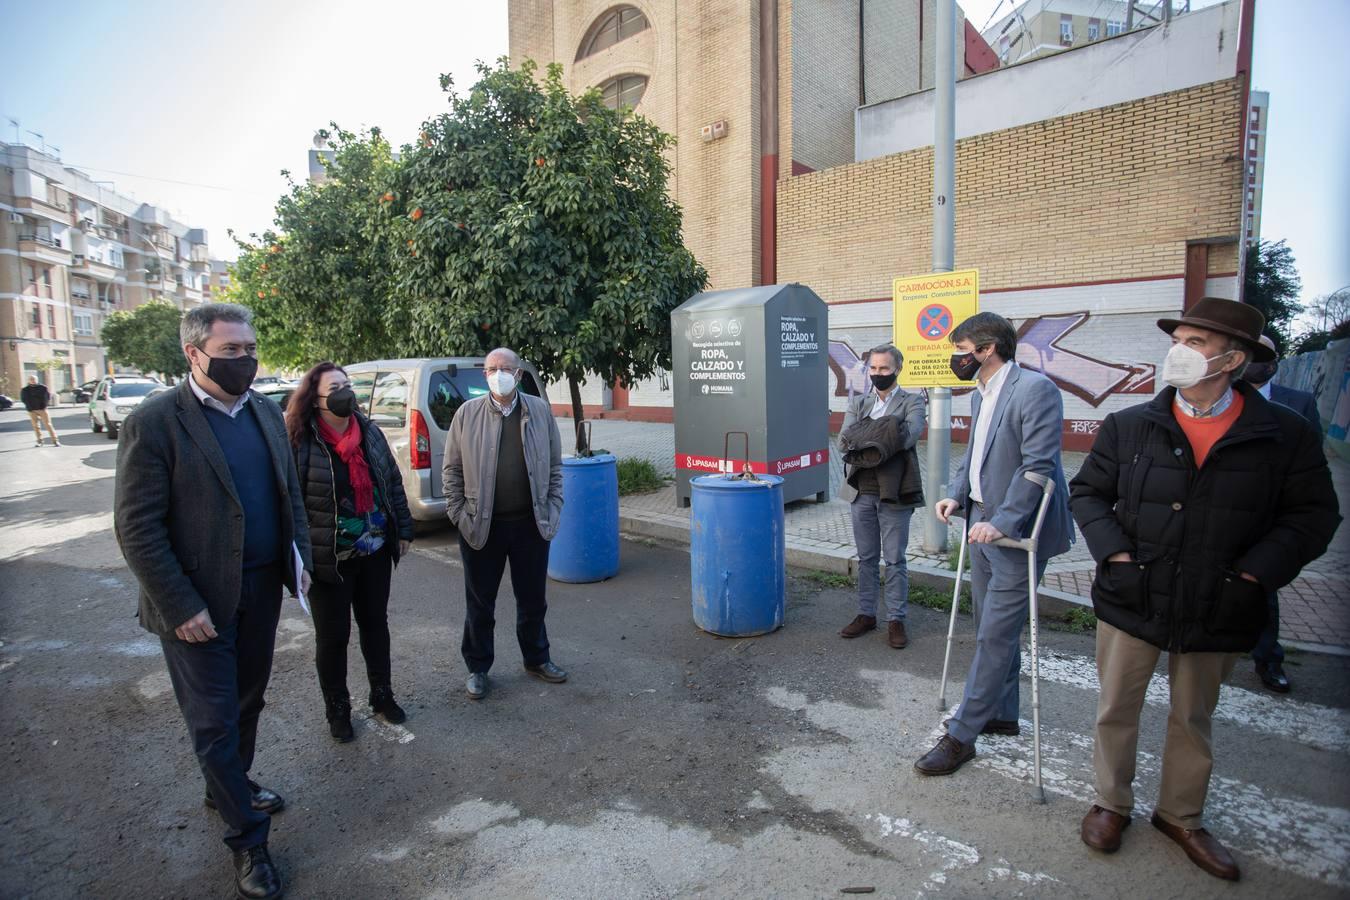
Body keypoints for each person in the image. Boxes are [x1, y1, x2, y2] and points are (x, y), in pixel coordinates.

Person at [1069, 298, 1339, 881]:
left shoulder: (1283, 435)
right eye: (1179, 338)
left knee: (1193, 715)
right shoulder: (1130, 424)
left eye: (1196, 342)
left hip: (1219, 600)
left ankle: (1181, 815)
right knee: (1116, 707)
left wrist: (1253, 575)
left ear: (1232, 360)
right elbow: (1088, 493)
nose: (1178, 351)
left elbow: (1314, 518)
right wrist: (1114, 552)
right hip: (1131, 593)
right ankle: (1110, 803)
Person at [114, 303, 311, 900]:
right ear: (194, 354)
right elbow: (137, 527)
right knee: (213, 722)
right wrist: (180, 605)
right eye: (231, 352)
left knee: (248, 701)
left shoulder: (268, 414)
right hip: (196, 605)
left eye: (250, 349)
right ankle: (248, 841)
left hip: (260, 590)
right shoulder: (155, 422)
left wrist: (299, 562)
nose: (245, 360)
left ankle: (230, 784)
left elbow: (288, 496)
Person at [913, 311, 1073, 775]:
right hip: (980, 524)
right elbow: (977, 455)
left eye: (961, 351)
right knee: (988, 623)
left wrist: (1003, 522)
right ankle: (1001, 714)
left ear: (987, 350)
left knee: (994, 634)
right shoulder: (983, 393)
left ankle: (962, 735)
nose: (955, 359)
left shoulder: (1034, 390)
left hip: (1014, 531)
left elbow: (1038, 468)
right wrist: (956, 495)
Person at [287, 362, 416, 742]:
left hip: (375, 549)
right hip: (329, 559)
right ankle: (338, 709)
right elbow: (290, 502)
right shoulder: (300, 440)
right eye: (335, 387)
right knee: (333, 637)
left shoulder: (369, 431)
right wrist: (298, 559)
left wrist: (403, 529)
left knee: (376, 626)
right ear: (315, 398)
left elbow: (391, 481)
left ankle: (382, 695)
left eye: (347, 385)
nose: (345, 392)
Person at [443, 347, 566, 700]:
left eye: (506, 368)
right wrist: (458, 514)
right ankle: (478, 668)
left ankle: (537, 659)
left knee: (533, 599)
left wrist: (554, 506)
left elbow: (556, 466)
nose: (499, 374)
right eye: (492, 368)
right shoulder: (467, 414)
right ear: (484, 375)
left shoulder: (540, 411)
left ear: (519, 374)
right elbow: (451, 469)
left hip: (530, 524)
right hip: (482, 527)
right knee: (480, 602)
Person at [1242, 334, 1322, 693]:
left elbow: (1310, 463)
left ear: (1273, 361)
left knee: (1262, 588)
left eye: (1262, 356)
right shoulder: (1225, 397)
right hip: (1218, 509)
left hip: (1266, 514)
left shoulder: (1299, 403)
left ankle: (1268, 659)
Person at [837, 344, 926, 648]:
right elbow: (844, 441)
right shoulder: (859, 403)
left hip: (896, 492)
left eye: (884, 369)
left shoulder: (913, 401)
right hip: (860, 491)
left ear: (897, 369)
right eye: (873, 369)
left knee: (895, 559)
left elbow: (907, 436)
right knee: (866, 558)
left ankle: (896, 619)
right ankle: (866, 614)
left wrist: (867, 436)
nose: (877, 374)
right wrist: (885, 430)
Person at [21, 375, 60, 447]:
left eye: (34, 379)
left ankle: (55, 441)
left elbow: (48, 397)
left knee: (48, 425)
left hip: (42, 409)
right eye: (31, 379)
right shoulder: (25, 390)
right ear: (28, 381)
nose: (32, 380)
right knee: (36, 426)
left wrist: (44, 406)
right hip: (32, 410)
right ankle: (40, 441)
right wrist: (29, 408)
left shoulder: (43, 387)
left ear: (37, 380)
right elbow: (24, 399)